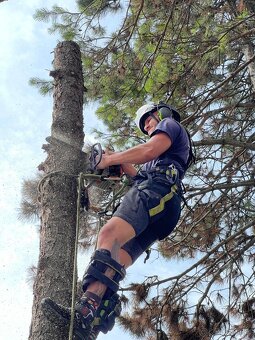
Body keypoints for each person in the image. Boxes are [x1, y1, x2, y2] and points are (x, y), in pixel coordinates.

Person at [43, 102, 194, 339]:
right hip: (164, 204)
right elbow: (139, 175)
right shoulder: (165, 158)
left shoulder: (170, 125)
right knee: (116, 261)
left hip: (158, 191)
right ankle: (92, 325)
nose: (147, 125)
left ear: (161, 113)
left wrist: (108, 159)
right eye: (143, 124)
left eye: (148, 118)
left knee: (108, 236)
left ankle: (84, 312)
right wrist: (119, 162)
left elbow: (148, 151)